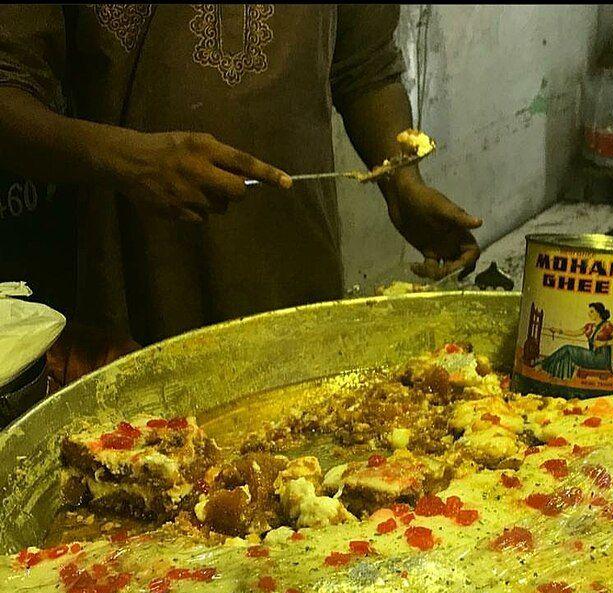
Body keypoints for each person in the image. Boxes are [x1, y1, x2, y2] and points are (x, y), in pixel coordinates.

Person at [0, 5, 482, 384]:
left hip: (294, 292)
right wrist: (131, 162)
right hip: (132, 304)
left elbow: (367, 67)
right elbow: (8, 93)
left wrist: (401, 182)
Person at [540, 301, 613, 380]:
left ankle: (543, 365)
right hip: (592, 356)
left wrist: (603, 343)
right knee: (567, 350)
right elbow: (575, 333)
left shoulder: (607, 326)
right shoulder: (589, 326)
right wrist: (558, 330)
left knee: (568, 348)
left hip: (601, 360)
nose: (589, 314)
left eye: (592, 312)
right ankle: (556, 373)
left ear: (598, 313)